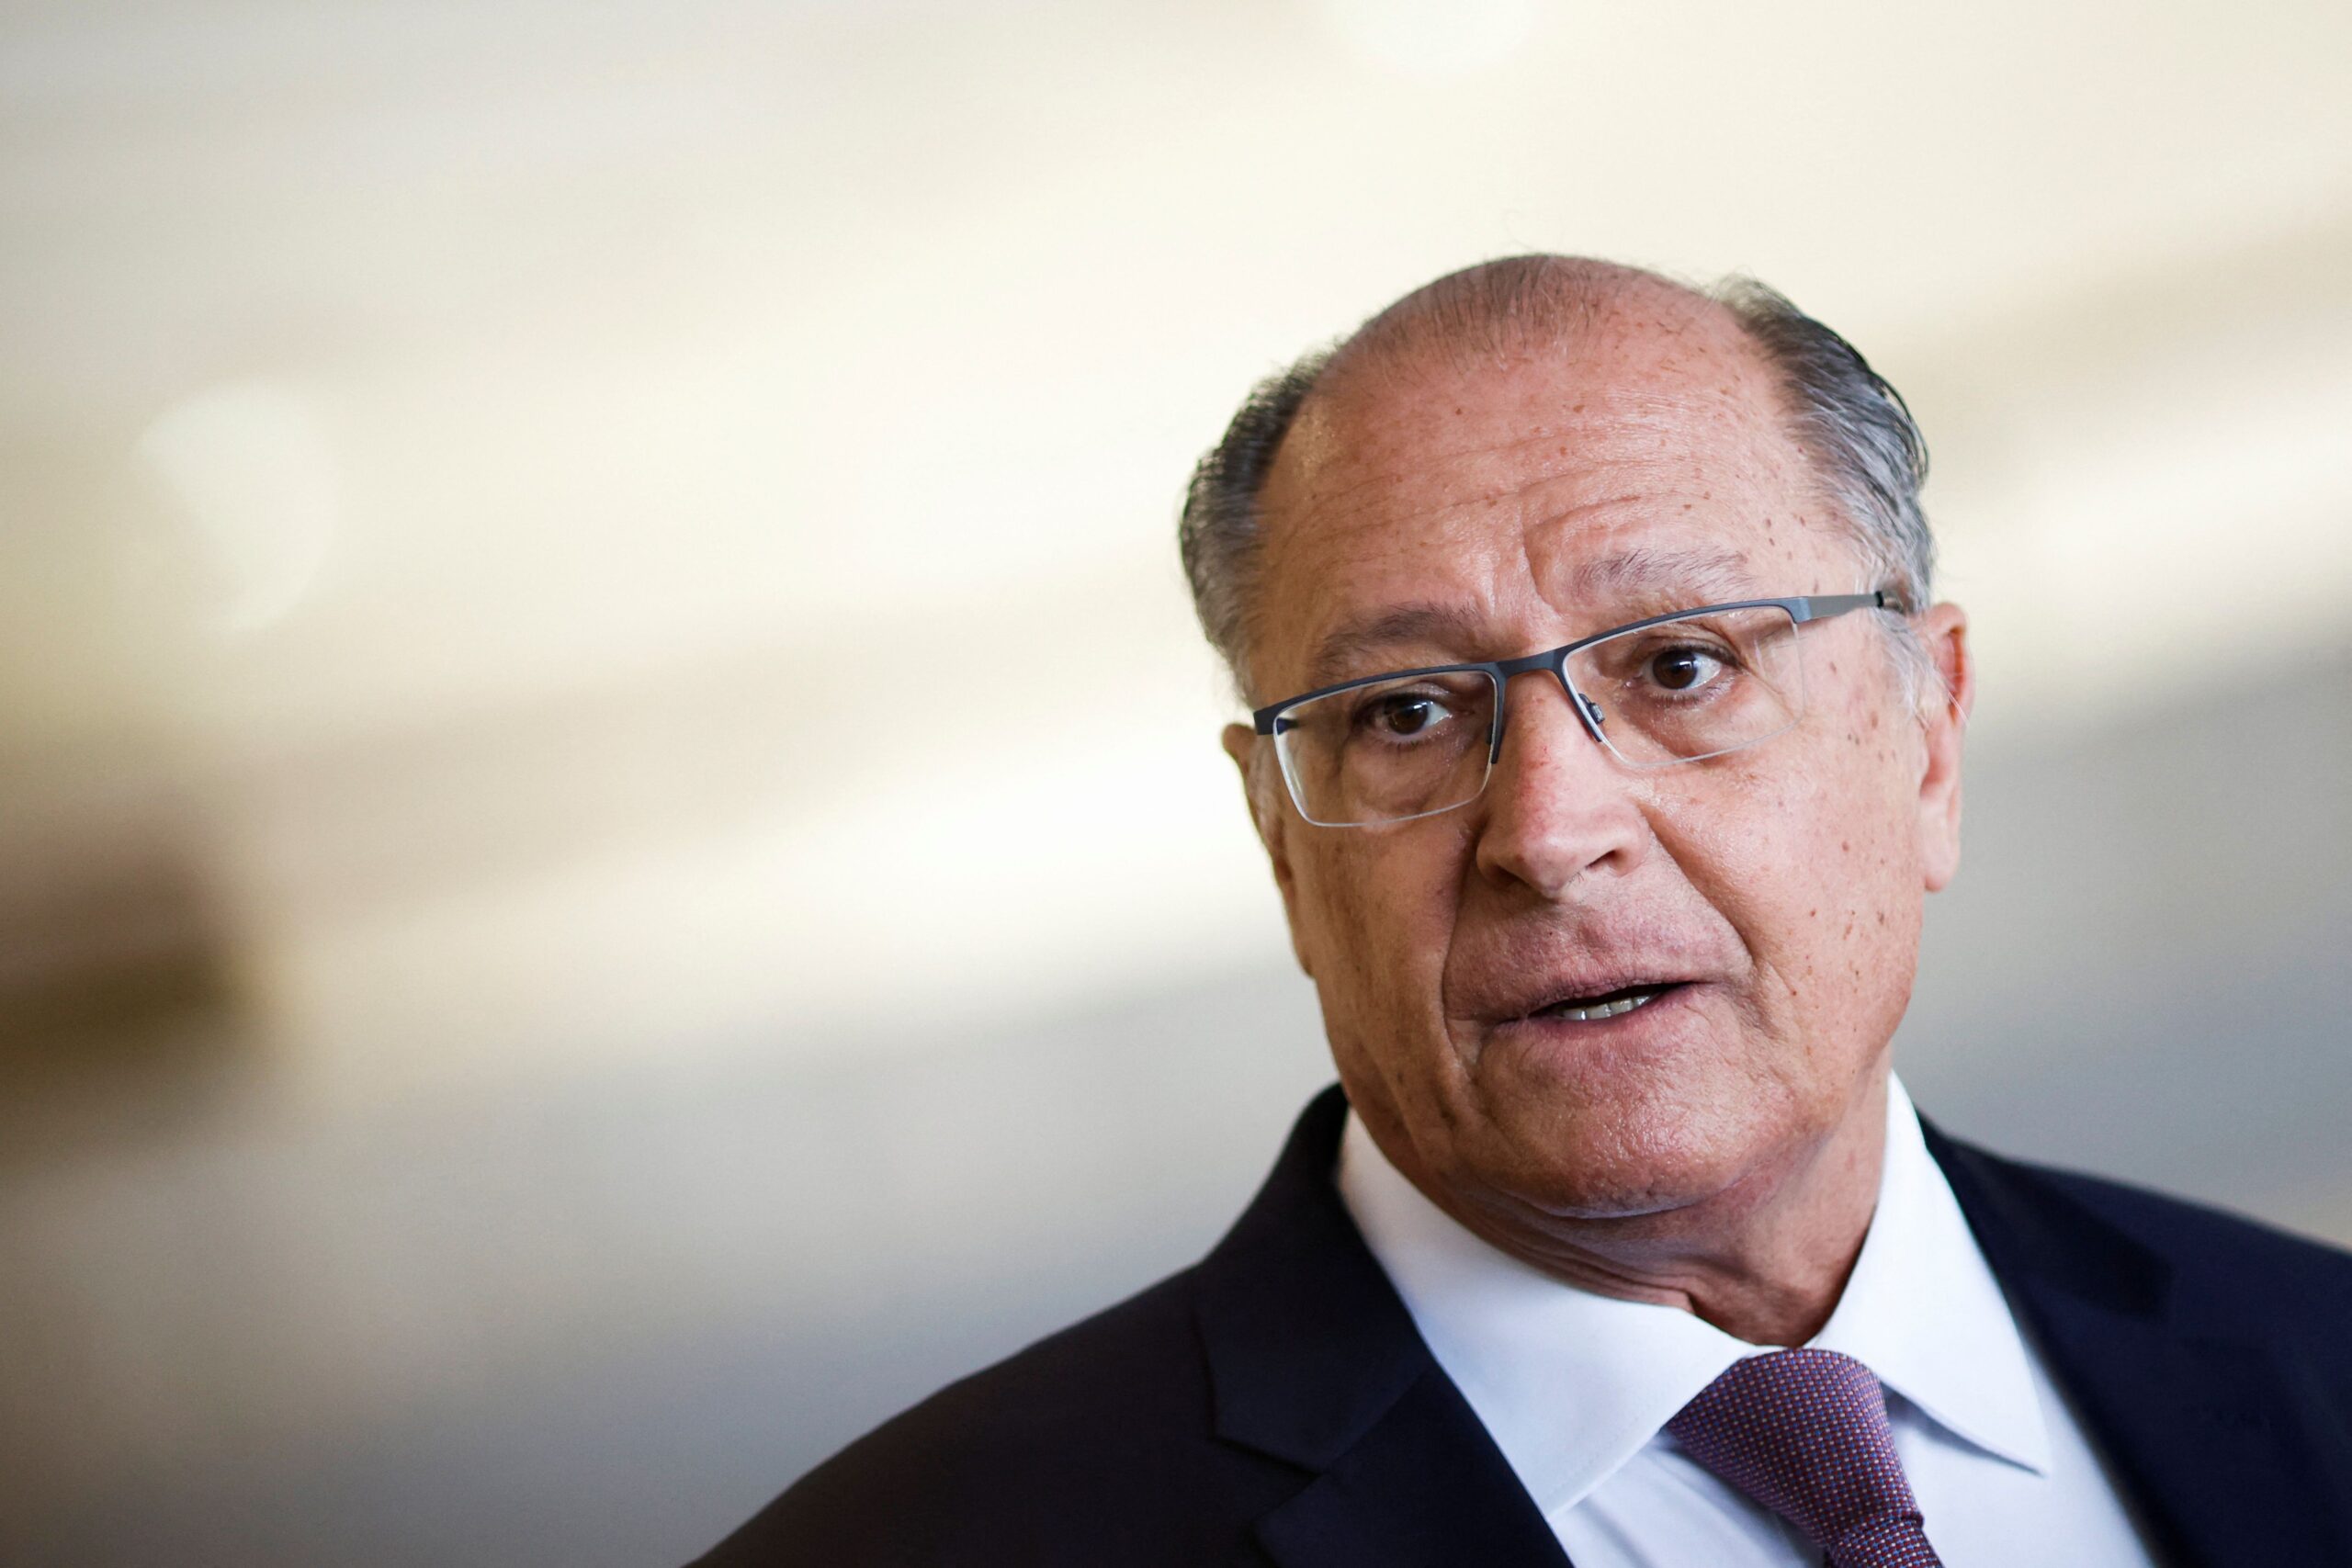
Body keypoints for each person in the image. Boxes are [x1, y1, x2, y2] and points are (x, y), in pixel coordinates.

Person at [692, 257, 2352, 1566]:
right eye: (1407, 713)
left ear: (1929, 737)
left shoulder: (2316, 1361)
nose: (1549, 835)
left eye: (1681, 666)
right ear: (1281, 844)